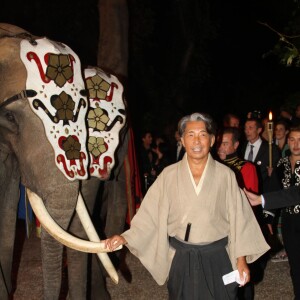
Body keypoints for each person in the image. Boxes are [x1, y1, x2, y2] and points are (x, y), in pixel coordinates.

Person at [105, 112, 270, 300]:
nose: (197, 141)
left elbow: (239, 219)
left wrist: (241, 260)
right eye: (190, 135)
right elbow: (149, 214)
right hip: (182, 259)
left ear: (213, 139)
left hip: (217, 257)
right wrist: (126, 237)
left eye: (202, 135)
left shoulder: (226, 175)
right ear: (182, 140)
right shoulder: (168, 175)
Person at [217, 127, 259, 300]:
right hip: (218, 230)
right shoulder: (212, 165)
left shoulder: (246, 168)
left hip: (237, 228)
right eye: (219, 143)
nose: (220, 148)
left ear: (235, 145)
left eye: (225, 144)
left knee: (241, 278)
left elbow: (248, 204)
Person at [244, 188, 300, 300]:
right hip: (290, 218)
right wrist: (269, 214)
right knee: (296, 268)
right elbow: (278, 182)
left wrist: (262, 199)